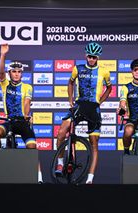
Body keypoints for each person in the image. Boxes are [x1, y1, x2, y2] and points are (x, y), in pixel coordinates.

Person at [55, 42, 112, 184]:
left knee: (94, 144)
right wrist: (70, 100)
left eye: (94, 57)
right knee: (62, 132)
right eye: (89, 57)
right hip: (79, 105)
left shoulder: (104, 71)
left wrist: (100, 102)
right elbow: (70, 82)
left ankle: (90, 179)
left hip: (93, 107)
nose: (91, 59)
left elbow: (110, 88)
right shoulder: (78, 68)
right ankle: (61, 162)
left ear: (98, 57)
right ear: (85, 56)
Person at [0, 43, 43, 183]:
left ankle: (39, 178)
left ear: (21, 73)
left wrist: (26, 115)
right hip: (9, 121)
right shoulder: (5, 84)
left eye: (19, 72)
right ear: (10, 73)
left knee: (32, 148)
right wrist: (3, 55)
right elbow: (0, 72)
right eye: (14, 71)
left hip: (23, 122)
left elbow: (27, 102)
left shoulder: (27, 87)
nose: (17, 74)